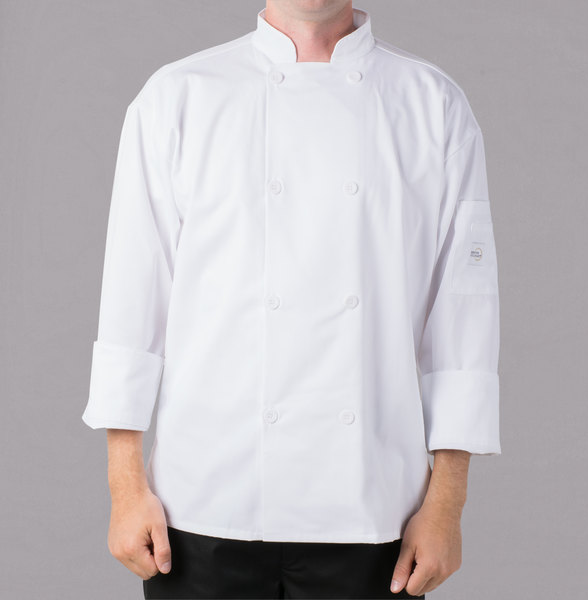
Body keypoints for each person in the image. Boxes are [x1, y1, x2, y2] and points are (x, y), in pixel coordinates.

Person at [81, 1, 502, 598]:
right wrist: (125, 489)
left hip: (372, 512)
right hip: (199, 508)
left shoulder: (434, 106)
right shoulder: (177, 98)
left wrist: (447, 505)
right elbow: (132, 302)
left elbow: (464, 320)